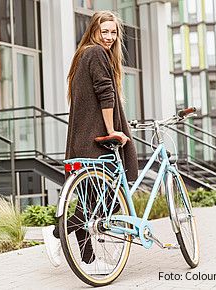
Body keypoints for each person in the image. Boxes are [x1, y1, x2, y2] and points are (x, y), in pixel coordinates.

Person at [42, 11, 138, 268]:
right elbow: (105, 94)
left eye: (113, 32)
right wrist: (113, 131)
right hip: (97, 138)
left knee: (88, 203)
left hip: (82, 138)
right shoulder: (95, 53)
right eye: (104, 31)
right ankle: (54, 234)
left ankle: (88, 259)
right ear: (93, 31)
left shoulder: (83, 54)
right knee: (111, 199)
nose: (109, 37)